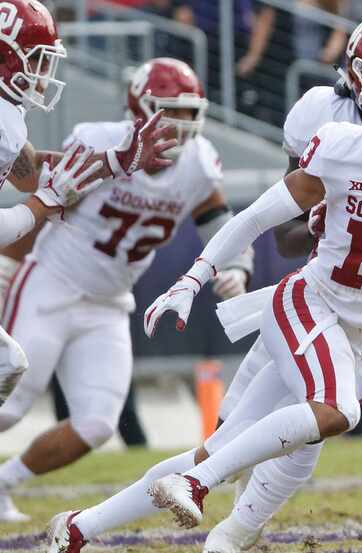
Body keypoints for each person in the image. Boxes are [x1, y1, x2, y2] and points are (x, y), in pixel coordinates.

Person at [46, 50, 362, 552]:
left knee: (261, 446)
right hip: (314, 302)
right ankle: (201, 492)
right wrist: (192, 280)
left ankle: (86, 526)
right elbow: (256, 219)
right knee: (335, 411)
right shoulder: (345, 150)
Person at [0, 57, 253, 523]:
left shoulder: (198, 161)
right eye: (167, 111)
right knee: (8, 404)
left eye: (186, 112)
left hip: (111, 303)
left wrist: (237, 262)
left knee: (96, 423)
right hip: (52, 282)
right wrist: (10, 266)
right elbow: (45, 192)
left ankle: (3, 484)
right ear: (140, 108)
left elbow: (218, 219)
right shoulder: (100, 140)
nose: (178, 124)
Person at [0, 0, 177, 494]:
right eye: (33, 58)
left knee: (13, 366)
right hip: (53, 280)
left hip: (106, 301)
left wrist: (117, 161)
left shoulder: (8, 119)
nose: (41, 73)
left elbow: (35, 168)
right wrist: (42, 206)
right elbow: (27, 201)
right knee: (8, 368)